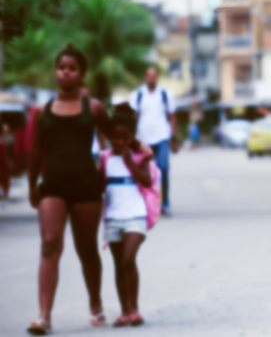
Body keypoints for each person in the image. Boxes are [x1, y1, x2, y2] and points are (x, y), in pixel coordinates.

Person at [27, 44, 111, 335]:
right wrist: (31, 187)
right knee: (50, 243)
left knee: (87, 249)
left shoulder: (95, 108)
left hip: (86, 186)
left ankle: (96, 303)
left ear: (81, 74)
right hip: (53, 185)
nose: (65, 72)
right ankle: (44, 316)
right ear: (55, 71)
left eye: (72, 68)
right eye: (61, 67)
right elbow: (35, 152)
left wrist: (110, 172)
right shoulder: (42, 110)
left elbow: (114, 143)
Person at [102, 104, 157, 328]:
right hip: (113, 218)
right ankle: (125, 311)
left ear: (133, 137)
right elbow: (98, 186)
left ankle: (134, 308)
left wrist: (129, 161)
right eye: (115, 138)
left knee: (128, 259)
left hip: (136, 216)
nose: (119, 142)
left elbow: (146, 181)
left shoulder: (139, 157)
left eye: (125, 138)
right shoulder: (104, 158)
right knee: (118, 264)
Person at [129, 67, 178, 215]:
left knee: (163, 169)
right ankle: (145, 203)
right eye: (149, 76)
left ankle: (165, 203)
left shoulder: (165, 94)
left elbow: (172, 116)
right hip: (143, 139)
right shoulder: (137, 94)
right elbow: (132, 118)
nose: (151, 79)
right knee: (144, 172)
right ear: (145, 77)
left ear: (157, 77)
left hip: (162, 136)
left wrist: (174, 137)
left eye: (154, 76)